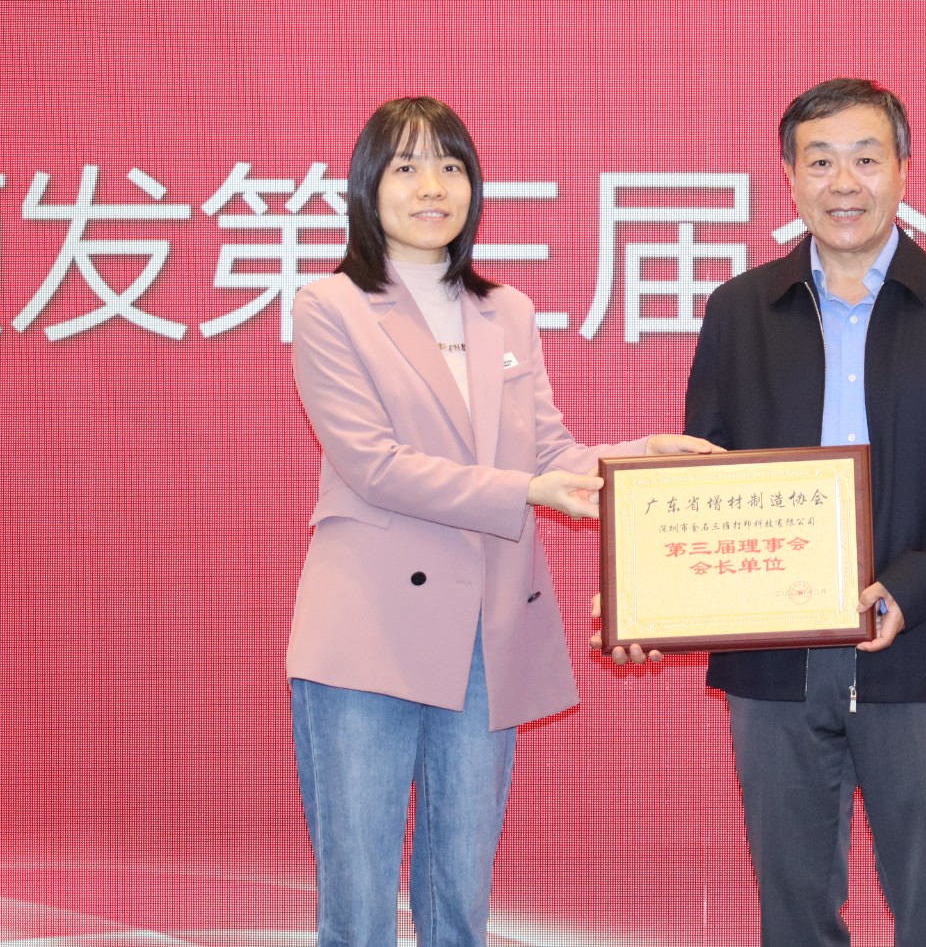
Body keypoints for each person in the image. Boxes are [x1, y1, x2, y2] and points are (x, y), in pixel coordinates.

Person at [288, 95, 716, 947]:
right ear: (368, 187)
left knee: (461, 898)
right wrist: (527, 490)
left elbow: (549, 449)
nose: (432, 186)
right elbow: (375, 465)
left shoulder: (505, 310)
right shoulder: (330, 305)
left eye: (450, 166)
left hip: (485, 631)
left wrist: (638, 461)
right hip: (368, 629)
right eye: (407, 167)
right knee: (359, 908)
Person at [616, 78, 926, 946]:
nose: (845, 183)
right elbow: (707, 482)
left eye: (866, 159)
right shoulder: (740, 311)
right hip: (774, 662)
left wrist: (908, 588)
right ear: (790, 176)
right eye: (820, 162)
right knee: (793, 917)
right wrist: (653, 593)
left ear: (904, 169)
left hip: (923, 650)